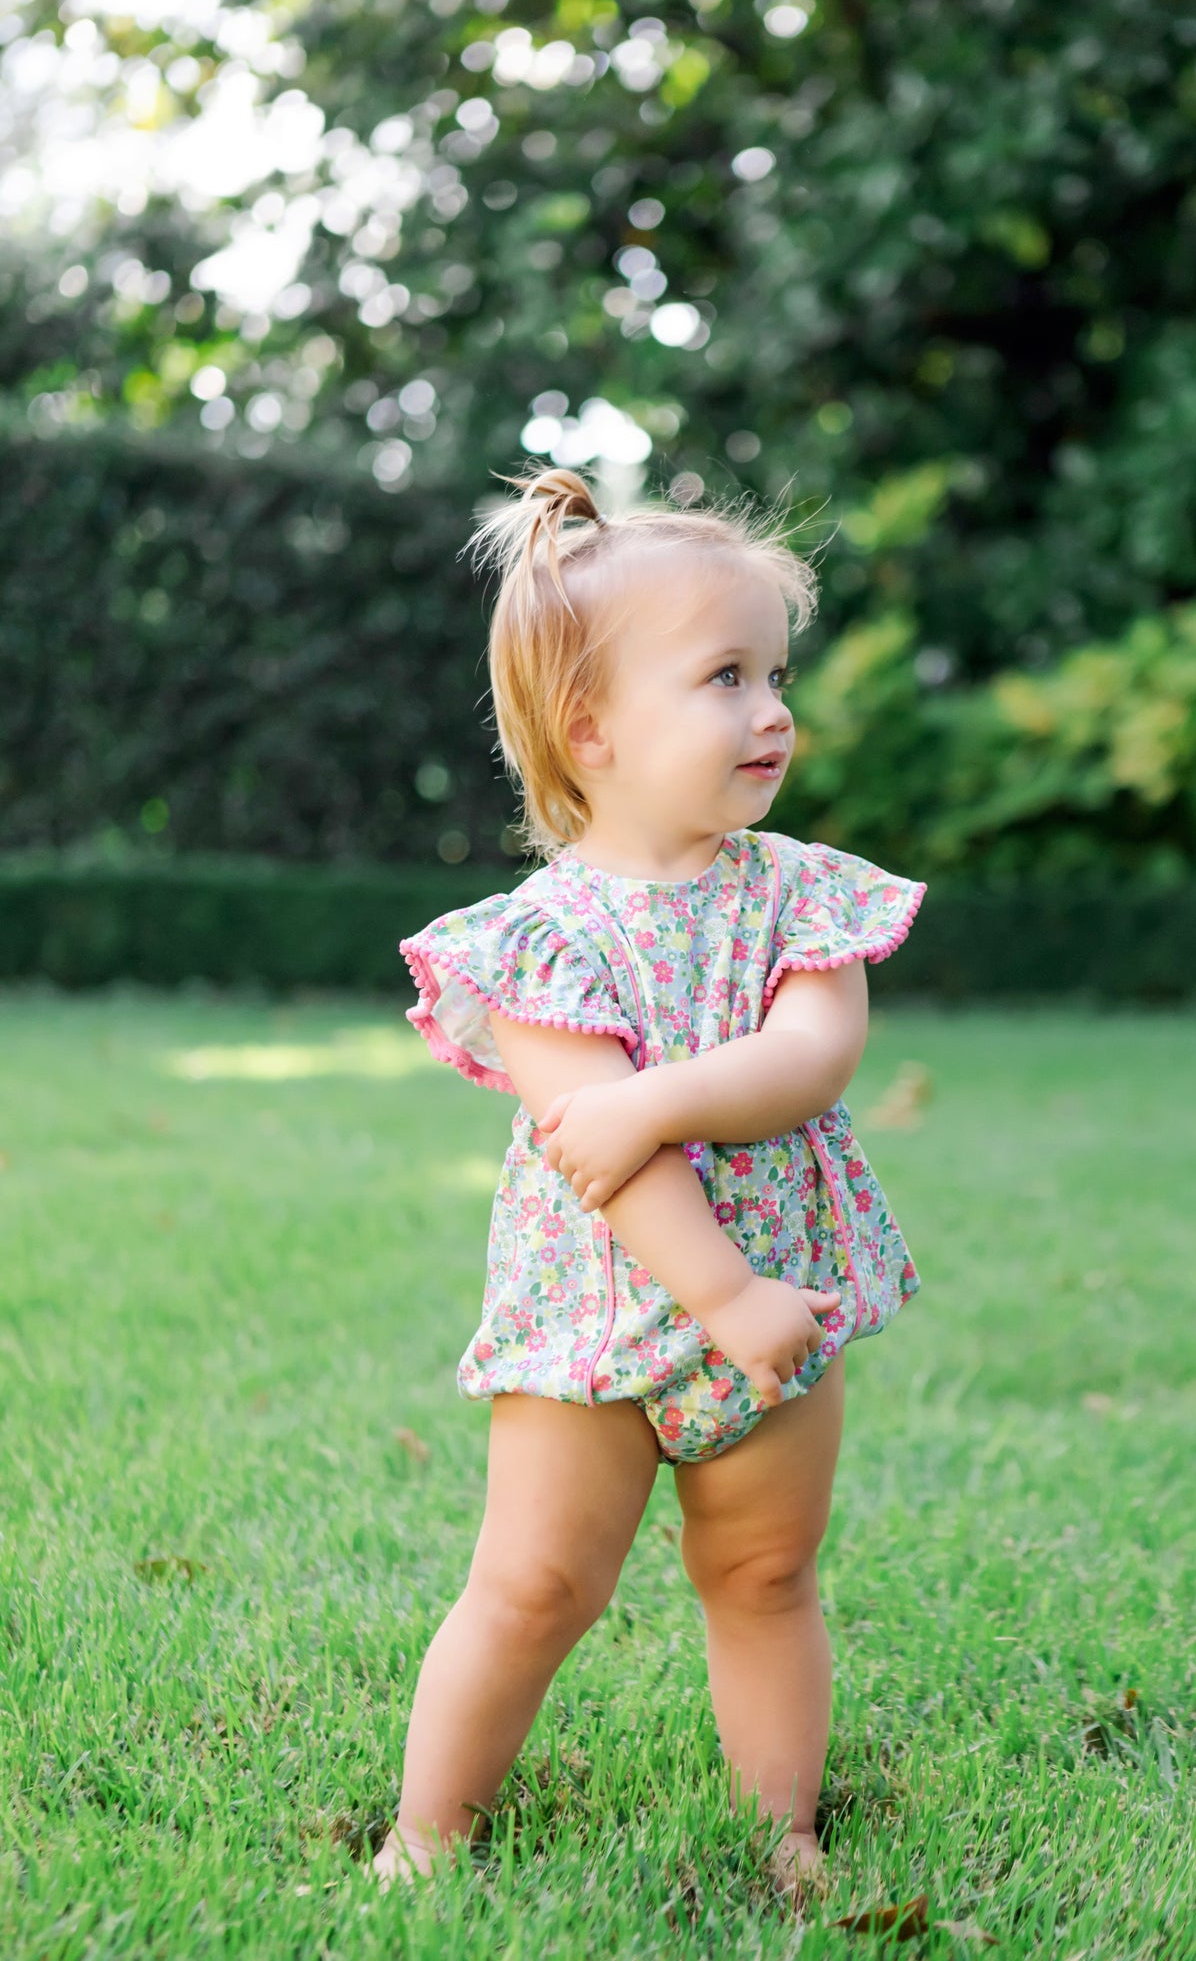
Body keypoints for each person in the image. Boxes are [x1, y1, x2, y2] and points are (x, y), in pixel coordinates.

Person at [375, 464, 926, 1899]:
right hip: (597, 1326)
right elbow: (595, 1155)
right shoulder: (532, 943)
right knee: (535, 1586)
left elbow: (809, 1057)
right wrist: (722, 1294)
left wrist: (664, 1100)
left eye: (776, 674)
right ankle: (424, 1836)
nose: (771, 710)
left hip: (779, 1305)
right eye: (725, 676)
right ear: (591, 729)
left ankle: (783, 1828)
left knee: (763, 1575)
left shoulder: (802, 892)